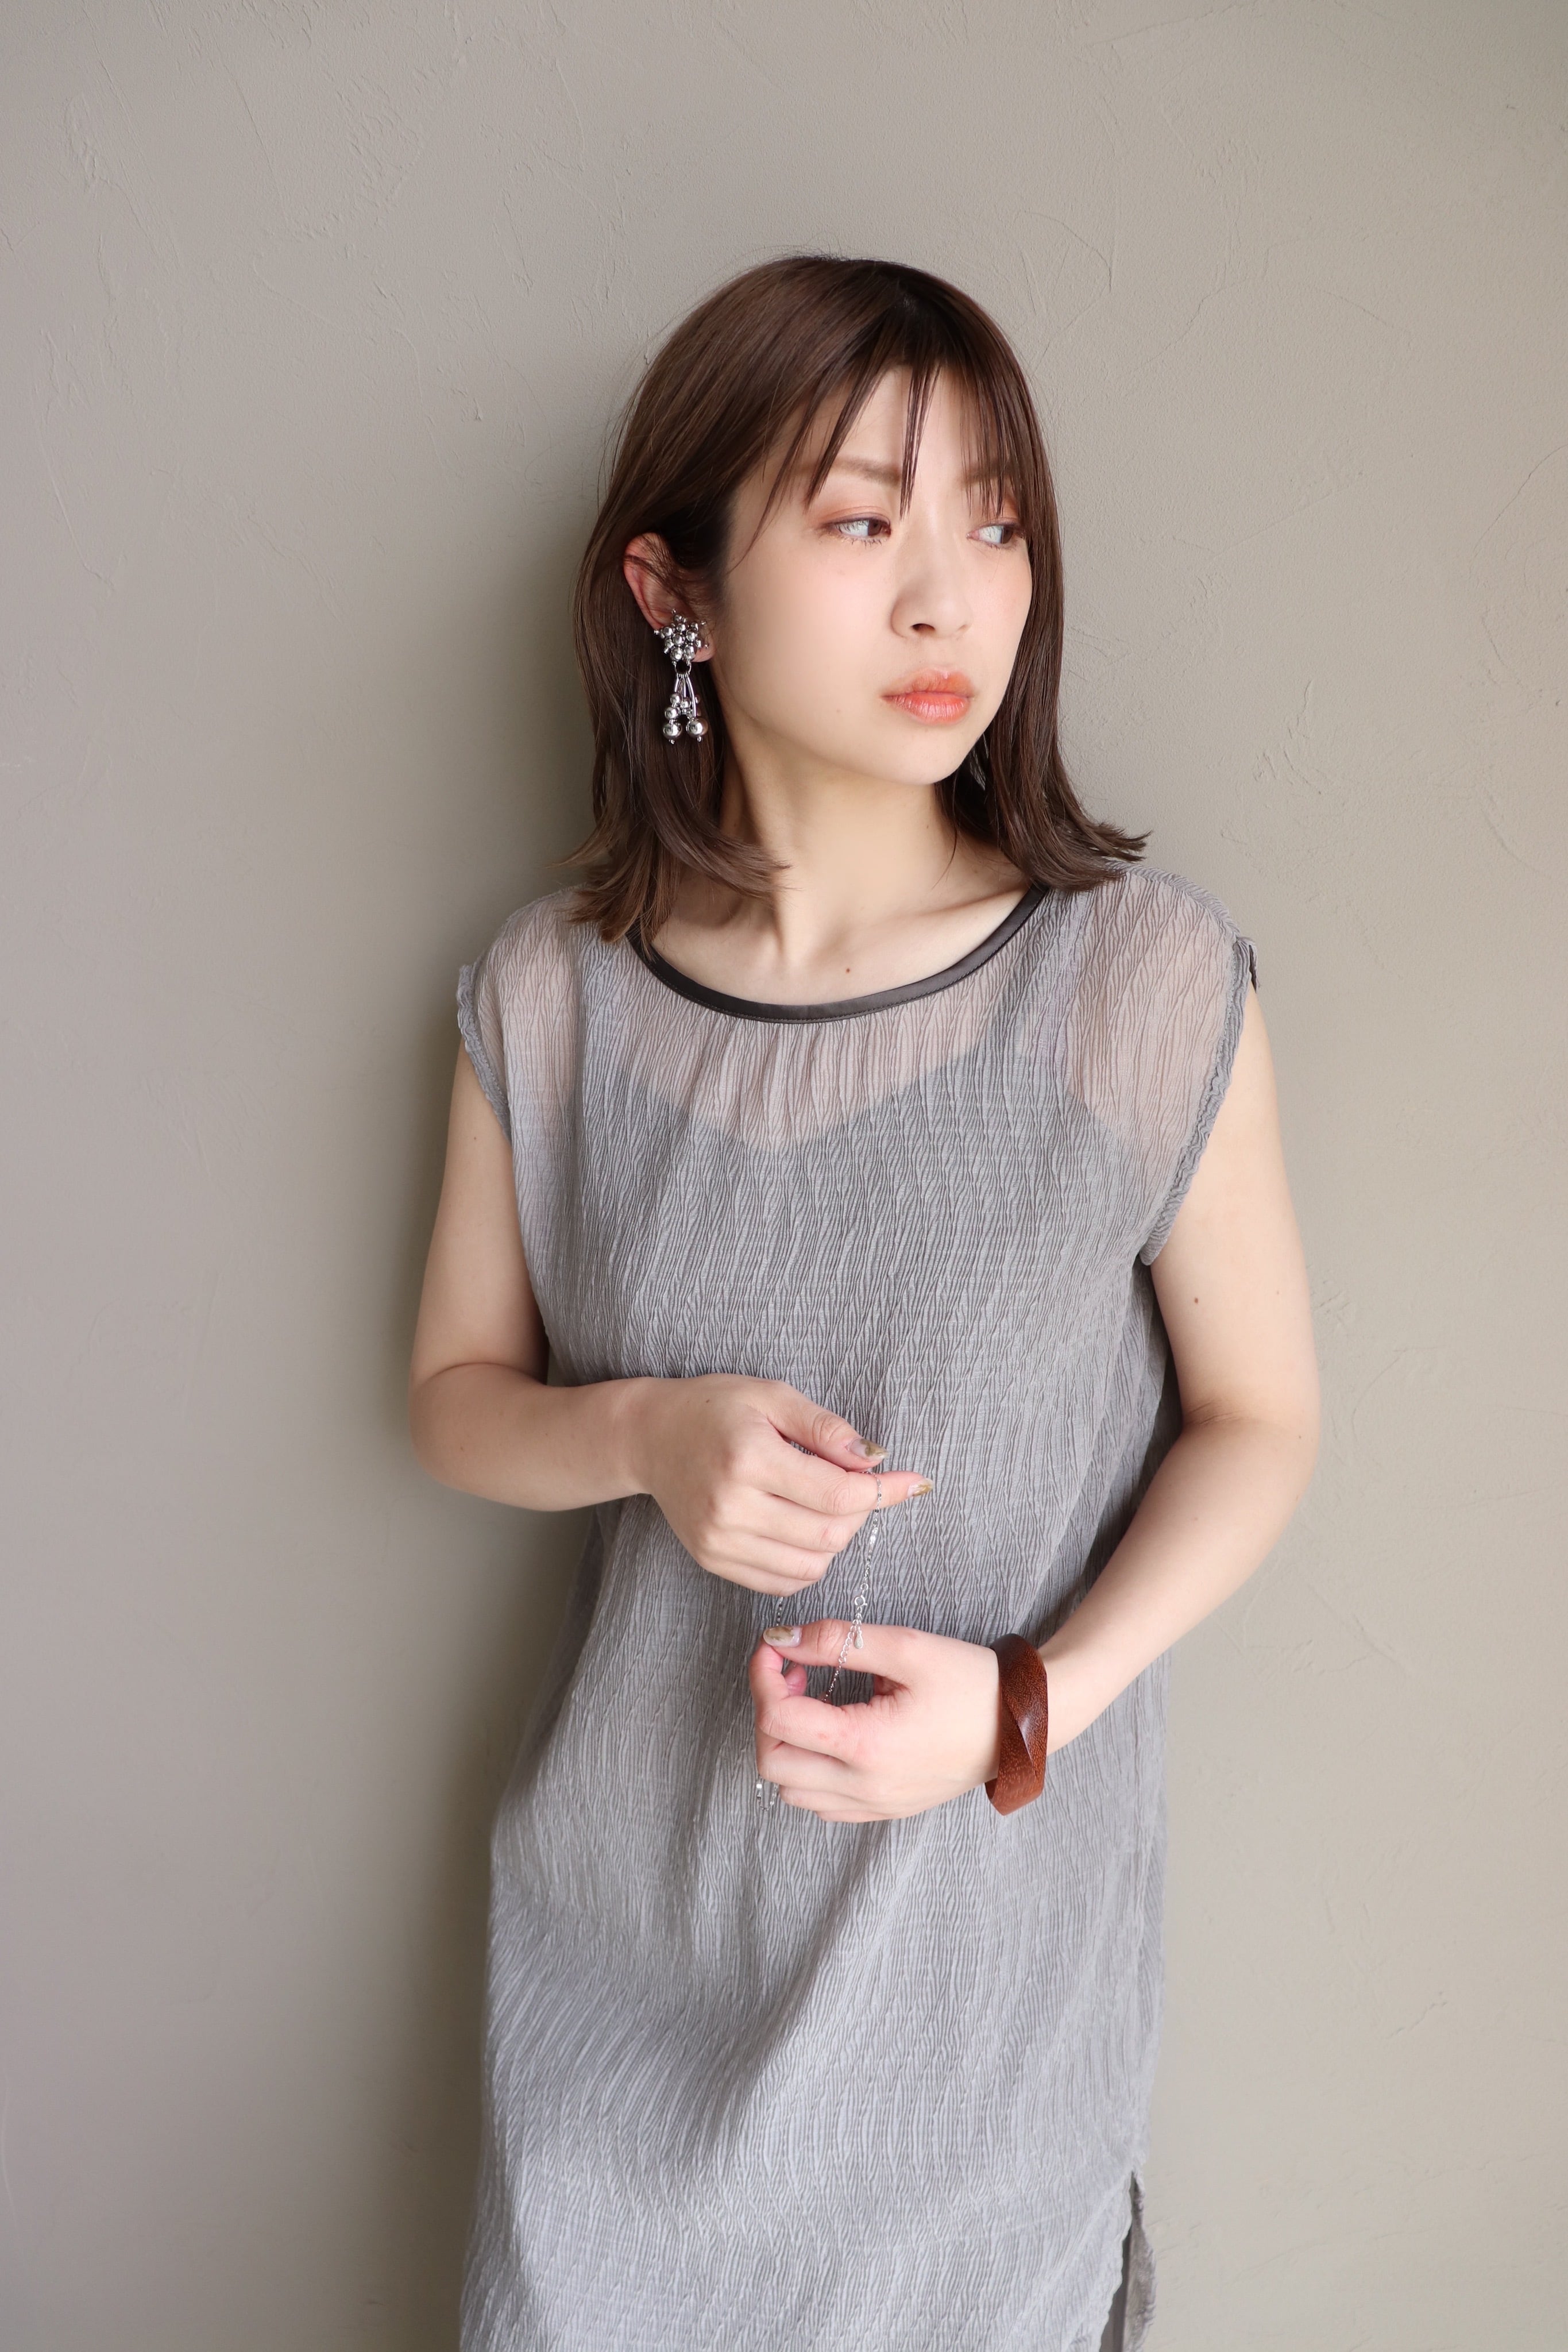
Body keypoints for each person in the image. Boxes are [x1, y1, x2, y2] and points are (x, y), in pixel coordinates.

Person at [408, 255, 1319, 2352]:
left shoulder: (1133, 981)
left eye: (992, 523)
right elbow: (456, 1394)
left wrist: (1026, 1708)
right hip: (616, 2016)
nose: (947, 599)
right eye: (858, 520)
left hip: (976, 2045)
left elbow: (1259, 1421)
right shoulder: (550, 995)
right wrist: (643, 1432)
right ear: (675, 594)